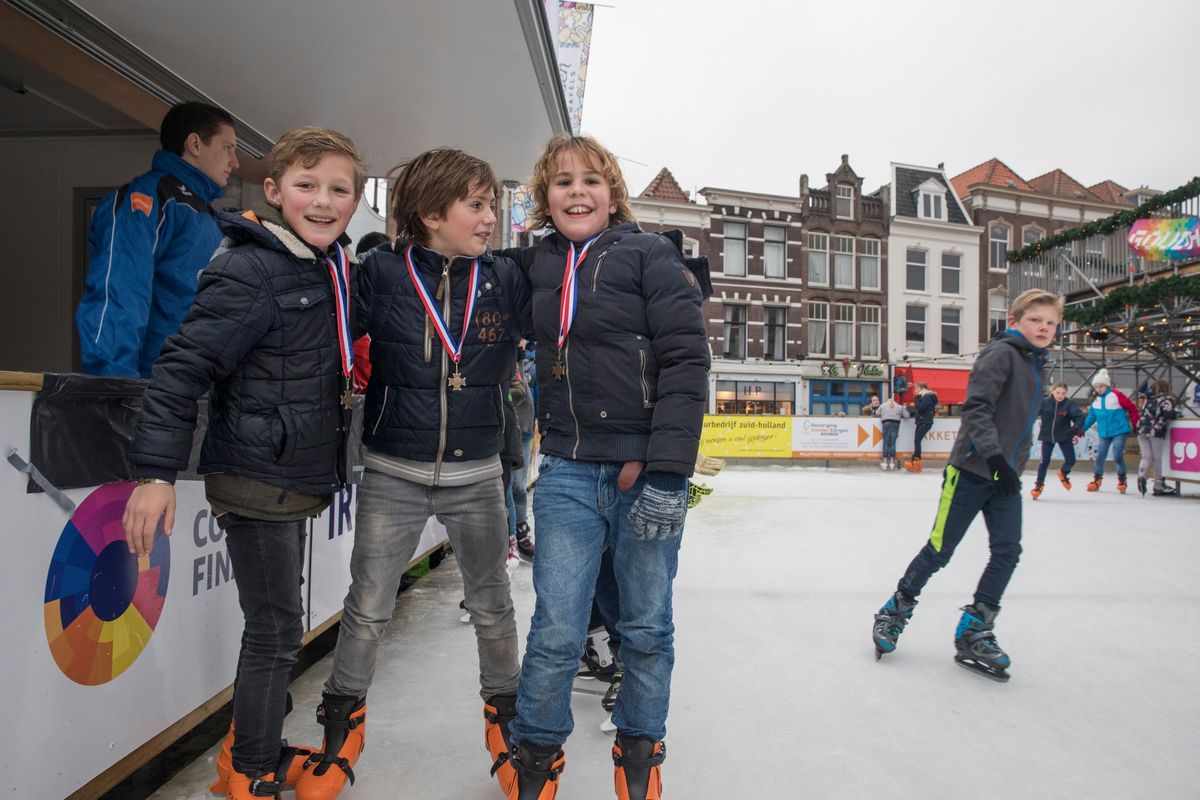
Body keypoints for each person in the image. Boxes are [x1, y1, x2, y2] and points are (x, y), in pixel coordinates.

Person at [121, 127, 366, 800]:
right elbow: (181, 369)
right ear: (273, 190)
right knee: (276, 629)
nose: (323, 201)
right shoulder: (253, 267)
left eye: (338, 190)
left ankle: (258, 747)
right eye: (307, 186)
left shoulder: (324, 267)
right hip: (257, 477)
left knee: (278, 623)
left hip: (287, 475)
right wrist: (154, 476)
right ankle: (249, 770)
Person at [296, 148, 529, 799]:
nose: (489, 217)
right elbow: (324, 328)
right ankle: (342, 726)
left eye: (491, 204)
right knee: (367, 607)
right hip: (394, 469)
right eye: (477, 205)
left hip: (478, 471)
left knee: (493, 608)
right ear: (431, 213)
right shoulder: (381, 273)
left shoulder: (506, 279)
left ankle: (505, 723)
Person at [502, 133, 709, 800]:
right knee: (558, 625)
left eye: (590, 180)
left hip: (644, 468)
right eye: (561, 182)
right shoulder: (534, 265)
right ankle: (536, 755)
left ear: (612, 192)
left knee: (646, 626)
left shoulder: (649, 255)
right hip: (565, 466)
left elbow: (685, 360)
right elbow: (461, 270)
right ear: (544, 198)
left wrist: (671, 473)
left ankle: (640, 750)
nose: (577, 192)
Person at [871, 289, 1062, 683]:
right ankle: (895, 609)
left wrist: (1011, 466)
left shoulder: (1035, 363)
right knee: (940, 550)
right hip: (974, 470)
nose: (1044, 327)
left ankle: (975, 629)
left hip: (1004, 474)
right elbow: (976, 408)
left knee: (1007, 551)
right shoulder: (1002, 353)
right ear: (1015, 319)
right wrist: (994, 458)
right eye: (1036, 320)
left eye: (1051, 322)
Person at [77, 101, 239, 377]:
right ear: (195, 145)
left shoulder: (207, 216)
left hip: (198, 389)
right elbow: (119, 292)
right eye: (228, 148)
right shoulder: (149, 199)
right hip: (157, 391)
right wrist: (118, 393)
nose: (235, 162)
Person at [1079, 368, 1138, 494]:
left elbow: (1132, 408)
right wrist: (1081, 429)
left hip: (1119, 431)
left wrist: (1135, 424)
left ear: (1106, 385)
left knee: (1117, 455)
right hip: (1104, 432)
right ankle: (1096, 481)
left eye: (1101, 386)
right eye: (1096, 386)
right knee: (1099, 456)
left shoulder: (1117, 395)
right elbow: (1091, 417)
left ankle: (1122, 480)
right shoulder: (1095, 400)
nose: (1098, 389)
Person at [1030, 381, 1084, 499]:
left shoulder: (1069, 404)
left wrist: (1074, 429)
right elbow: (1031, 414)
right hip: (1047, 437)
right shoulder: (1044, 403)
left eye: (1063, 393)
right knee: (1044, 462)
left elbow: (1079, 417)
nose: (1060, 395)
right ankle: (1038, 485)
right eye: (1058, 392)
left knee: (1071, 461)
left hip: (1065, 435)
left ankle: (1063, 473)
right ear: (1052, 391)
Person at [1136, 379, 1177, 496]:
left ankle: (1141, 475)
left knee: (1146, 456)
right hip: (1156, 431)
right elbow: (1169, 414)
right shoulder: (1166, 400)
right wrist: (1175, 414)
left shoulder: (1146, 399)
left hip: (1142, 430)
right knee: (1157, 458)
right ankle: (1158, 485)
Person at [903, 382, 938, 472]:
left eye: (916, 388)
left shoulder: (926, 397)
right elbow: (923, 410)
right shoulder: (925, 397)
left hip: (925, 422)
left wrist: (916, 398)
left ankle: (917, 462)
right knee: (916, 440)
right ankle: (916, 460)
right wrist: (912, 413)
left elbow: (920, 407)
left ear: (921, 388)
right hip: (922, 421)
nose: (915, 390)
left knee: (917, 440)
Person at [876, 396, 909, 470]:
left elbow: (877, 413)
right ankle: (892, 462)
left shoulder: (883, 405)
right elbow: (907, 416)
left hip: (886, 423)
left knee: (886, 443)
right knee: (892, 443)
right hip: (896, 424)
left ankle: (884, 461)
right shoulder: (899, 407)